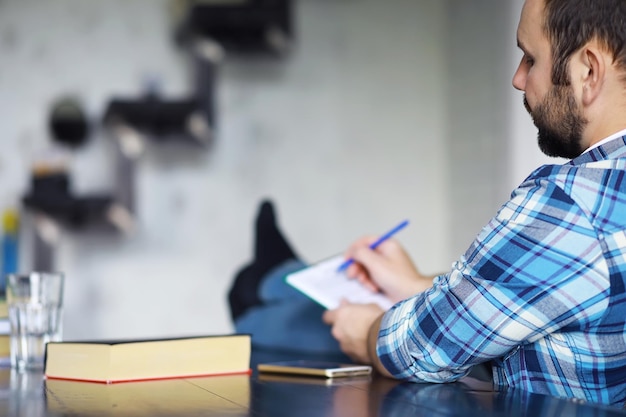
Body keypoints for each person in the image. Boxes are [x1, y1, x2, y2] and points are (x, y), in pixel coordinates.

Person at [229, 0, 626, 407]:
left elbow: (418, 347)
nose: (518, 78)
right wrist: (415, 285)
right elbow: (538, 297)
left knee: (294, 321)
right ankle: (275, 275)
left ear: (589, 71)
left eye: (530, 57)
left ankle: (266, 280)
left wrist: (365, 332)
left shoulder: (572, 204)